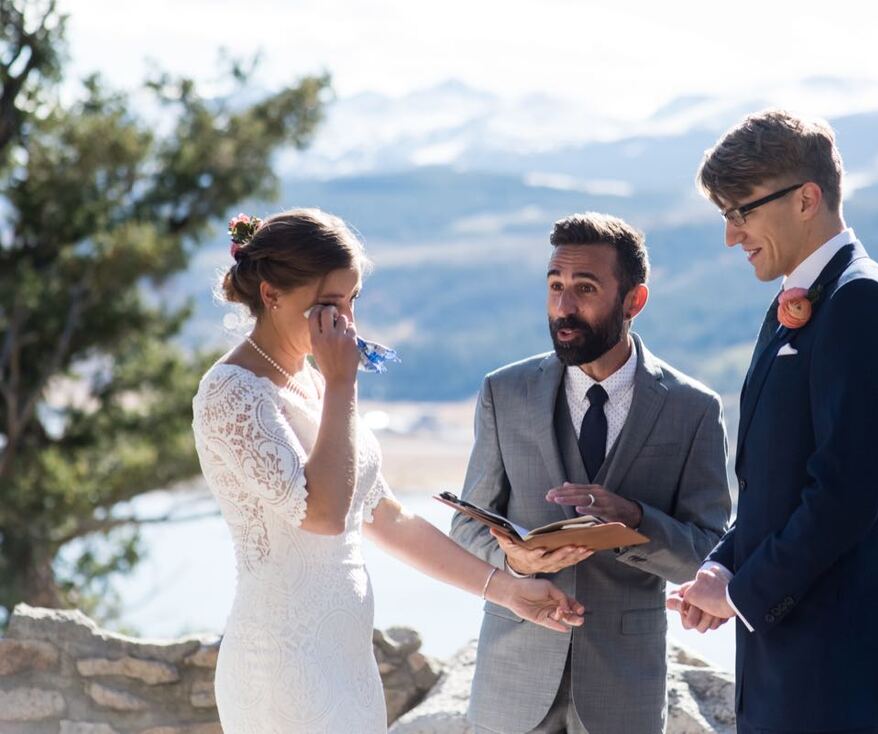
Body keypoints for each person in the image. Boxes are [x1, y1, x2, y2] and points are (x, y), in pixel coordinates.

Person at [191, 208, 585, 734]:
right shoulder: (233, 393)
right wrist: (342, 385)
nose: (347, 324)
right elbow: (325, 515)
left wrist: (507, 588)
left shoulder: (311, 383)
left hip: (346, 661)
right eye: (329, 305)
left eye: (352, 302)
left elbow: (389, 517)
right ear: (271, 295)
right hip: (282, 663)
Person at [667, 110, 878, 734]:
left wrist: (743, 595)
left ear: (807, 199)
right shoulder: (793, 302)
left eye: (741, 211)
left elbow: (845, 494)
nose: (731, 236)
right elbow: (771, 484)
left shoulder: (862, 300)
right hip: (785, 655)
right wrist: (723, 567)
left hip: (831, 663)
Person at [450, 212, 732, 734]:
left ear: (634, 301)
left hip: (623, 689)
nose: (564, 306)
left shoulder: (693, 409)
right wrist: (515, 562)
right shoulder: (503, 392)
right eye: (555, 286)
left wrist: (634, 520)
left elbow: (708, 553)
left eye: (585, 287)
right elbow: (467, 526)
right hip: (511, 682)